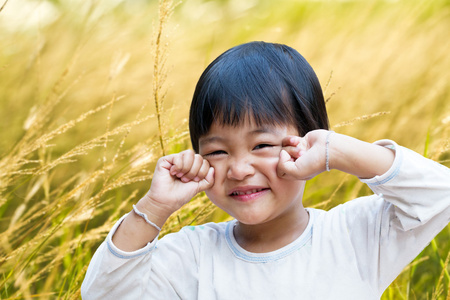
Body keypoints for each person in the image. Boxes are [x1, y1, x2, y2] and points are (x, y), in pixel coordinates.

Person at [81, 41, 450, 299]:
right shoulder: (192, 254)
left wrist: (339, 150)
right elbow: (102, 294)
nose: (240, 169)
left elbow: (439, 194)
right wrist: (155, 207)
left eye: (262, 145)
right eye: (218, 151)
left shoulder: (355, 237)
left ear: (308, 144)